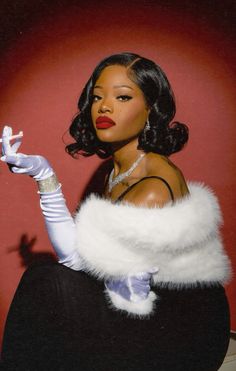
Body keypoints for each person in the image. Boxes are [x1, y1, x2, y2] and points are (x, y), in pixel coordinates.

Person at [0, 52, 231, 370]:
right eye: (97, 97)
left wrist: (46, 180)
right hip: (142, 307)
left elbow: (77, 260)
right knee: (47, 283)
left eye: (122, 97)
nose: (104, 107)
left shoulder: (153, 186)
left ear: (151, 108)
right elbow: (93, 264)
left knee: (48, 282)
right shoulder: (120, 169)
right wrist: (44, 173)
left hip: (184, 329)